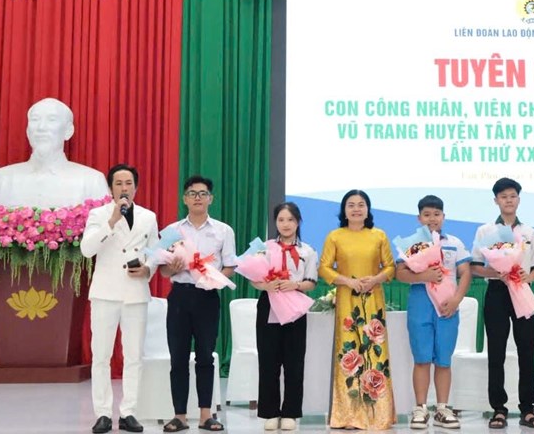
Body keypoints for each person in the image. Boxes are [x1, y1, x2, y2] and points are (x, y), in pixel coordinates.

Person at [81, 164, 160, 434]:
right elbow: (87, 249)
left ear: (136, 187)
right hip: (105, 292)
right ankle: (103, 413)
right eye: (118, 183)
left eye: (128, 183)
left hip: (135, 292)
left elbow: (155, 251)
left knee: (134, 356)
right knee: (101, 355)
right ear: (110, 187)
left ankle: (129, 412)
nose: (124, 188)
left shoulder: (149, 217)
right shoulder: (98, 214)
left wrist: (148, 268)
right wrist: (111, 221)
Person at [159, 176, 236, 432]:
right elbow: (164, 273)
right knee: (178, 357)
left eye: (203, 194)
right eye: (192, 193)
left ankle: (206, 415)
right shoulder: (172, 231)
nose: (198, 198)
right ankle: (179, 415)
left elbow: (229, 266)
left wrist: (215, 280)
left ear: (210, 199)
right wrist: (172, 266)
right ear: (185, 198)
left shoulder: (223, 230)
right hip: (180, 296)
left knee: (206, 356)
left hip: (207, 297)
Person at [318, 189, 396, 430]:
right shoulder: (335, 236)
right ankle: (348, 415)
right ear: (344, 210)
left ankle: (378, 414)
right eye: (350, 205)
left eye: (361, 204)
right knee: (349, 352)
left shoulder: (378, 235)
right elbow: (323, 268)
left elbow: (391, 268)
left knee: (375, 351)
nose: (356, 209)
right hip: (347, 299)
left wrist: (375, 279)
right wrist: (348, 281)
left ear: (368, 209)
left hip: (373, 298)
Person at [470, 178, 534, 429]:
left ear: (518, 199)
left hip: (522, 292)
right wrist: (494, 272)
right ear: (496, 201)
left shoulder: (530, 232)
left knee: (527, 350)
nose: (508, 200)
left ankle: (528, 408)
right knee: (497, 352)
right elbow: (476, 267)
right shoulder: (485, 231)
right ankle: (498, 409)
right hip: (497, 293)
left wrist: (528, 276)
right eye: (503, 197)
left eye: (512, 196)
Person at [395, 195, 472, 429]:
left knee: (444, 360)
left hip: (447, 306)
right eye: (427, 215)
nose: (432, 219)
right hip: (420, 303)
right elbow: (400, 273)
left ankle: (442, 408)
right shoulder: (412, 244)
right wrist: (423, 276)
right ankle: (420, 409)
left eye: (436, 214)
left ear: (444, 217)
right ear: (419, 218)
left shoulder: (455, 243)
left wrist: (457, 299)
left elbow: (465, 272)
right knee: (421, 359)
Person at [252, 202, 318, 431]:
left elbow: (311, 282)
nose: (286, 224)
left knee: (294, 361)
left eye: (290, 219)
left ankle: (290, 412)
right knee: (268, 360)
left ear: (298, 222)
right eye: (281, 220)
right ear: (275, 223)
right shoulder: (264, 248)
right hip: (269, 305)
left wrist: (295, 284)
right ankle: (270, 412)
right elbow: (252, 277)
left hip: (294, 307)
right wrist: (266, 285)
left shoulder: (308, 251)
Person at [0, 97, 108, 208]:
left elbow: (109, 231)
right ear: (27, 131)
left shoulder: (92, 181)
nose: (41, 128)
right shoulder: (0, 179)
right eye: (35, 120)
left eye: (51, 120)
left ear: (68, 131)